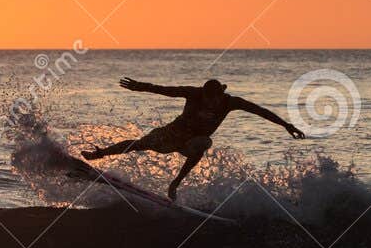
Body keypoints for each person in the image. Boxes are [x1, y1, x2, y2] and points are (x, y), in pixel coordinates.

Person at [83, 77, 306, 200]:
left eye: (213, 100)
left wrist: (287, 125)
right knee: (139, 145)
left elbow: (260, 111)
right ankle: (99, 154)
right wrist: (141, 87)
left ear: (220, 95)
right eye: (207, 99)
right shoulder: (194, 93)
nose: (209, 103)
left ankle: (174, 185)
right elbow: (166, 89)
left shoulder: (230, 102)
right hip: (173, 134)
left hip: (191, 143)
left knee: (203, 144)